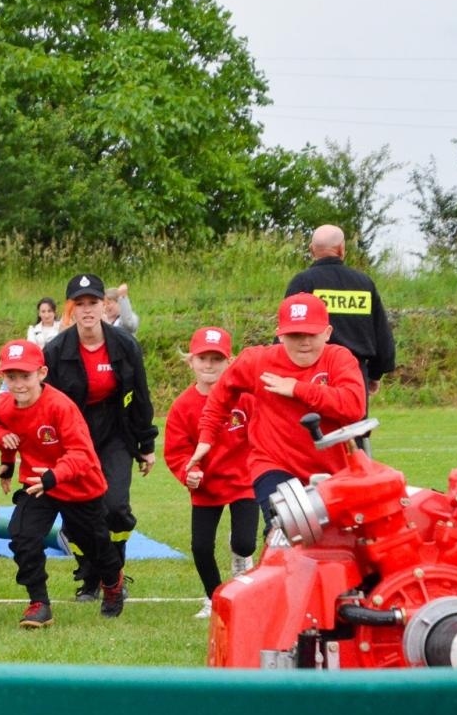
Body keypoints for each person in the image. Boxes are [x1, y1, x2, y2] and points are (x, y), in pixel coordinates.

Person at [190, 294, 367, 522]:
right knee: (285, 526)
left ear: (327, 332)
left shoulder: (339, 359)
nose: (304, 342)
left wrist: (297, 389)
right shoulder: (257, 361)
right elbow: (221, 394)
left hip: (333, 469)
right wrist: (206, 436)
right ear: (280, 335)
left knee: (338, 535)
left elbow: (354, 406)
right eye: (295, 334)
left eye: (311, 334)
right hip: (273, 464)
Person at [0, 340, 127, 626]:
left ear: (41, 373)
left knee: (96, 548)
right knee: (22, 536)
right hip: (37, 483)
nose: (18, 384)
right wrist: (6, 452)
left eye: (24, 376)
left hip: (79, 486)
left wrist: (53, 477)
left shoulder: (61, 407)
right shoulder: (4, 403)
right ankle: (39, 603)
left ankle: (112, 583)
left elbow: (83, 455)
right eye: (11, 377)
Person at [43, 273, 157, 601]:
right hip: (73, 439)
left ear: (104, 306)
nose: (88, 309)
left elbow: (141, 396)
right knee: (78, 516)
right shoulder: (55, 350)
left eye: (93, 302)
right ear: (71, 310)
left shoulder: (124, 344)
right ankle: (89, 575)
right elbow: (46, 402)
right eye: (80, 304)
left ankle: (114, 571)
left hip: (115, 433)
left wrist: (146, 444)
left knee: (116, 507)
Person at [163, 327, 259, 619]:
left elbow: (262, 435)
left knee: (244, 544)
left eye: (216, 359)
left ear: (229, 362)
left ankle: (239, 556)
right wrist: (187, 471)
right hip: (207, 488)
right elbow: (176, 452)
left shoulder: (245, 398)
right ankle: (214, 598)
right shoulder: (182, 407)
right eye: (203, 358)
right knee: (201, 547)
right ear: (190, 361)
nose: (209, 365)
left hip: (244, 483)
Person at [284, 224, 396, 409]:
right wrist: (373, 374)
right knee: (354, 432)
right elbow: (381, 335)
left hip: (312, 375)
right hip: (354, 374)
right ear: (342, 249)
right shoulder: (363, 283)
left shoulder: (304, 282)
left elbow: (288, 330)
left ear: (312, 250)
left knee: (313, 433)